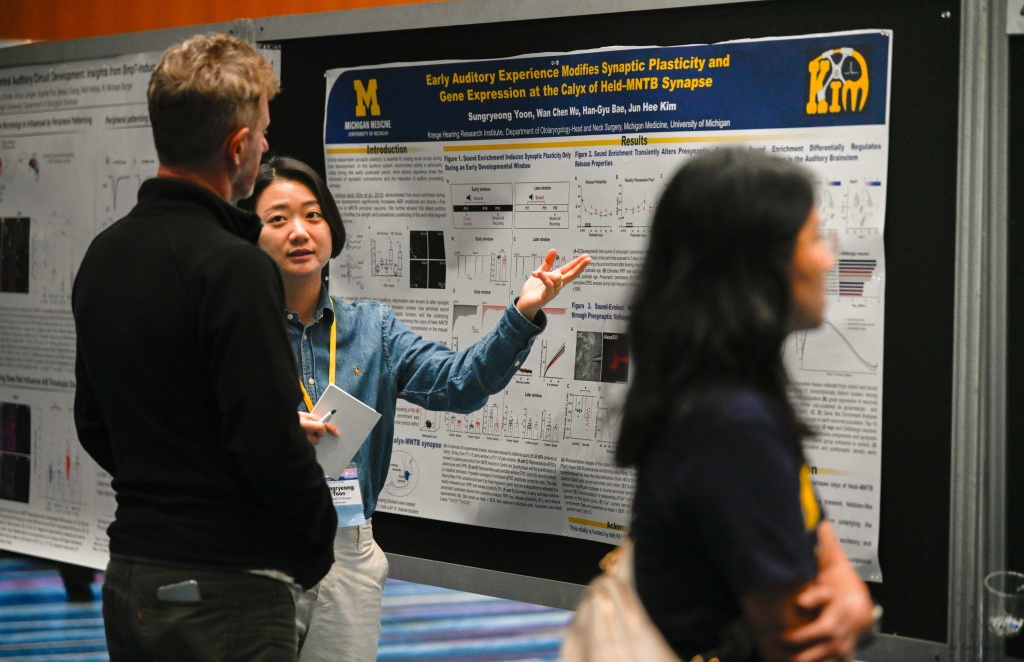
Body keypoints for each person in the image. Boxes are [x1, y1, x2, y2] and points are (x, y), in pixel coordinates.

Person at [238, 155, 591, 661]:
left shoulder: (372, 329)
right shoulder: (233, 329)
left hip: (347, 550)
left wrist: (522, 313)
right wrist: (267, 431)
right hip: (255, 545)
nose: (300, 231)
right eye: (278, 219)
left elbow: (458, 384)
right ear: (248, 236)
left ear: (331, 228)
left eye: (313, 215)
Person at [72, 35, 336, 661]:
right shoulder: (234, 268)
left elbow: (93, 423)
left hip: (131, 576)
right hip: (226, 592)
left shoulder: (103, 255)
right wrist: (316, 538)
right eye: (263, 133)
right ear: (237, 146)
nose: (266, 147)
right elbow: (267, 441)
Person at [615, 148, 876, 662]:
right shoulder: (730, 425)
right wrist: (861, 611)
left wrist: (852, 594)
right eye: (814, 239)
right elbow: (799, 639)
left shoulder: (724, 395)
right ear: (757, 268)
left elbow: (811, 522)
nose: (828, 259)